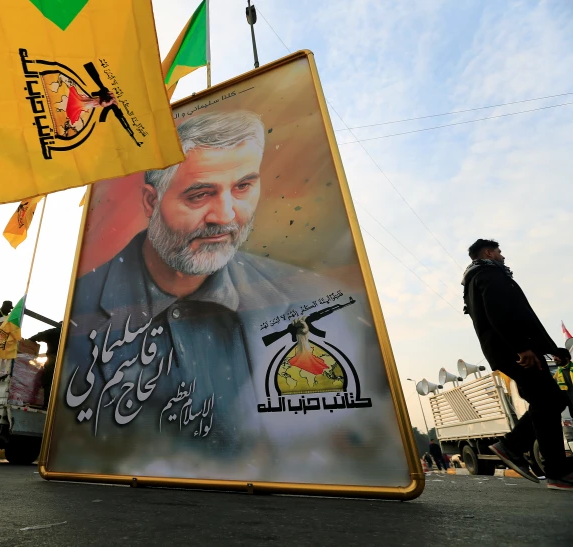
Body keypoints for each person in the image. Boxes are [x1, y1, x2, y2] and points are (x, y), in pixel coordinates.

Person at [54, 111, 380, 480]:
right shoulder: (82, 313)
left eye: (243, 187)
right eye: (199, 194)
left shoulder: (309, 300)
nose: (226, 215)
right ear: (150, 202)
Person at [462, 238, 573, 490]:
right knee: (549, 401)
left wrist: (551, 348)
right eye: (499, 251)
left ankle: (538, 461)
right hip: (516, 351)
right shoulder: (489, 274)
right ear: (489, 252)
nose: (502, 255)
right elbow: (500, 314)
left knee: (549, 401)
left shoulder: (479, 278)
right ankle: (527, 456)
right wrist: (521, 348)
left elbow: (522, 317)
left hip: (515, 349)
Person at [27, 325, 63, 408]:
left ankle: (48, 406)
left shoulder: (54, 332)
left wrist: (30, 341)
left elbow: (38, 336)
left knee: (49, 384)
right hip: (67, 364)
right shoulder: (73, 335)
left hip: (53, 362)